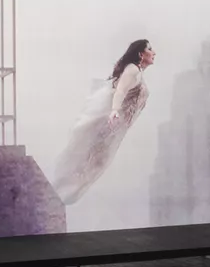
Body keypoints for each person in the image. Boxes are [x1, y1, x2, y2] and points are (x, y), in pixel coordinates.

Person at [51, 39, 157, 204]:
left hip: (115, 130)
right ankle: (60, 192)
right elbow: (120, 91)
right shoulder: (133, 70)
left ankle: (61, 193)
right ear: (140, 54)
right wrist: (114, 110)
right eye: (150, 49)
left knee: (96, 161)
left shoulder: (136, 72)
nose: (154, 52)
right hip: (110, 127)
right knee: (91, 159)